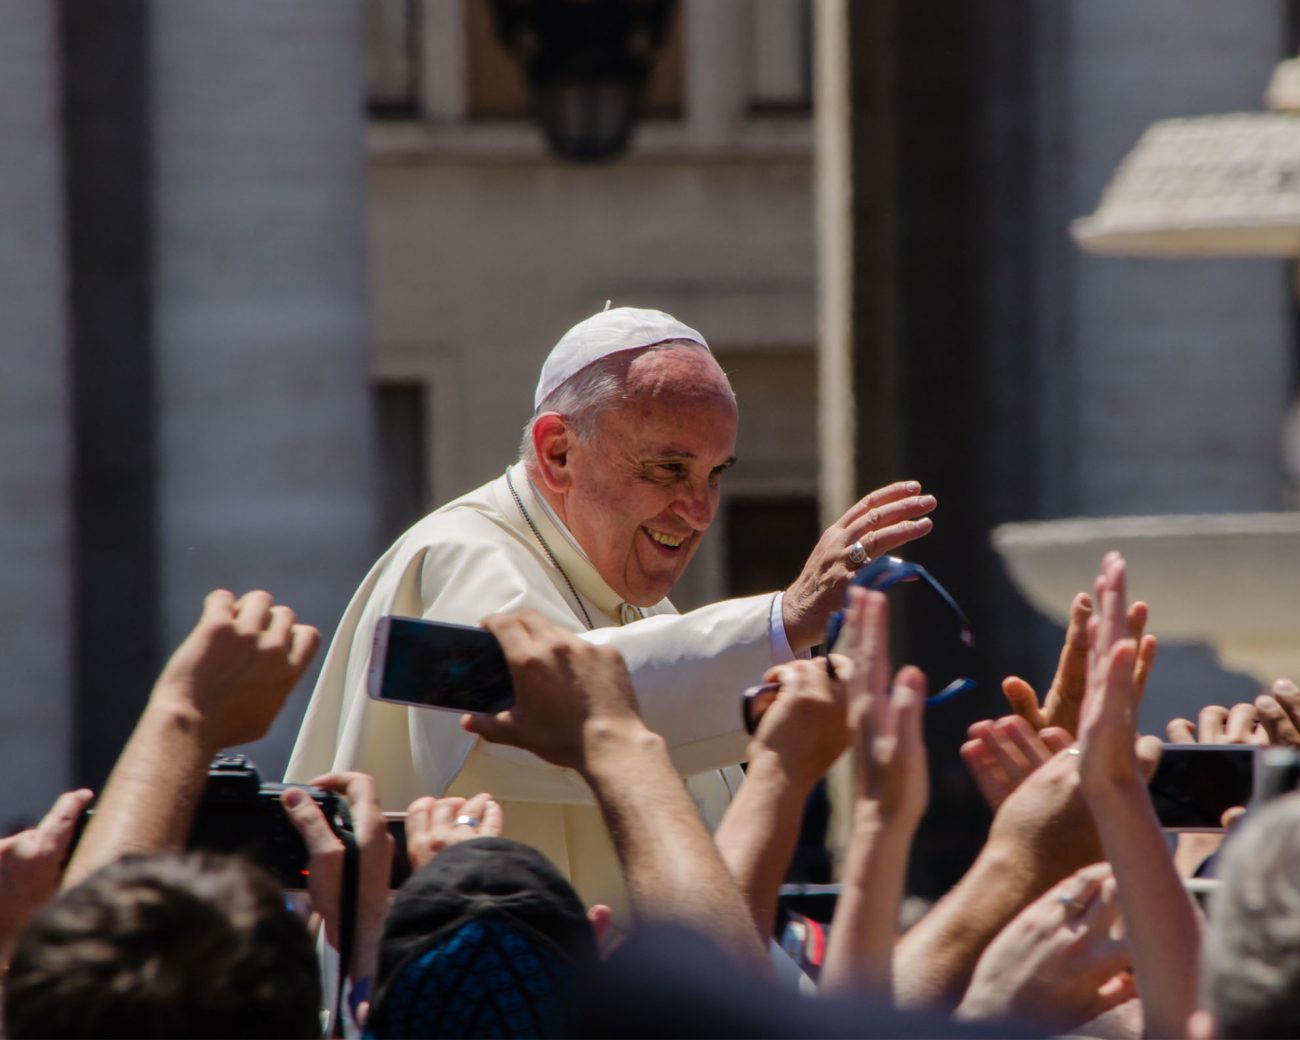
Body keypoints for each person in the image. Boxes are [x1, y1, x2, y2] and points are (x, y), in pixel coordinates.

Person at [287, 304, 936, 914]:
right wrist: (785, 619)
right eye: (668, 468)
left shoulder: (649, 621)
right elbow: (548, 707)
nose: (699, 510)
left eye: (714, 474)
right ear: (557, 453)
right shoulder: (458, 555)